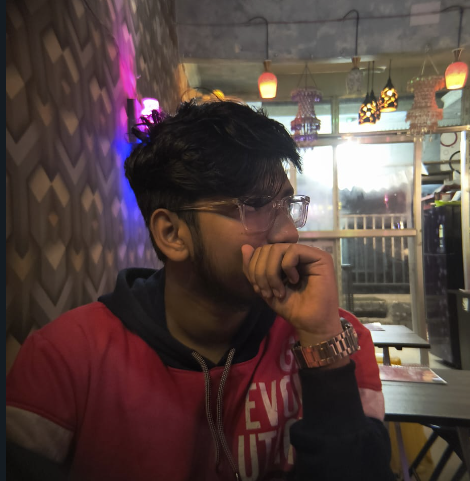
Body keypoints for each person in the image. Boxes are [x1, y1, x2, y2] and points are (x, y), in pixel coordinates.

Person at [6, 100, 394, 481]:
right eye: (256, 205)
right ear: (172, 234)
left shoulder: (336, 338)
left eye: (286, 204)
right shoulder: (67, 357)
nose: (289, 233)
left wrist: (322, 346)